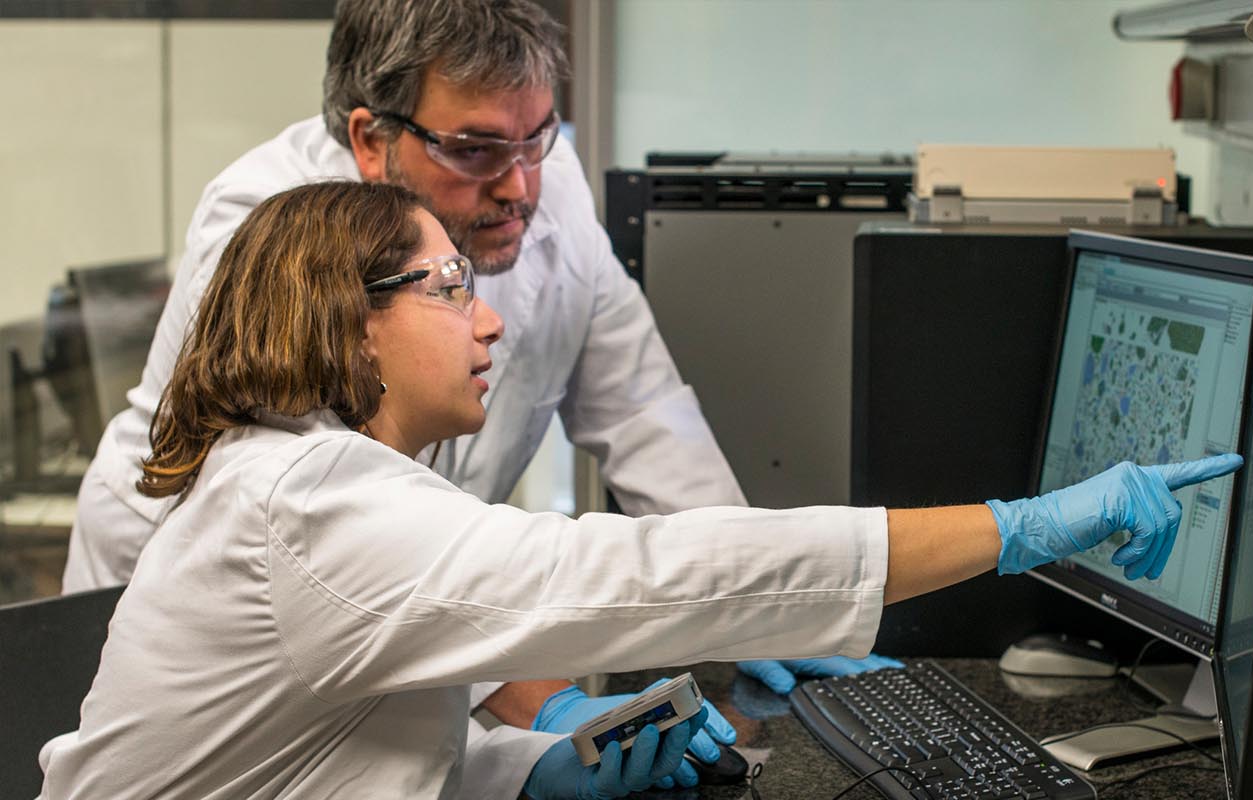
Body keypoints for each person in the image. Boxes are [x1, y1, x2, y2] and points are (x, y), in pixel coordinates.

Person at [40, 180, 1239, 800]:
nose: (490, 313)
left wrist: (526, 769)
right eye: (449, 284)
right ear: (350, 323)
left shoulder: (315, 487)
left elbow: (337, 766)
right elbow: (623, 574)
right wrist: (1016, 528)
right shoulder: (305, 501)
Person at [59, 0, 893, 783]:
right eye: (478, 149)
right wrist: (542, 694)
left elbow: (641, 409)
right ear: (371, 138)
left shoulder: (544, 189)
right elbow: (352, 557)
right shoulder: (277, 233)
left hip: (396, 615)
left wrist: (758, 602)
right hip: (206, 639)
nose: (521, 186)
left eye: (538, 139)